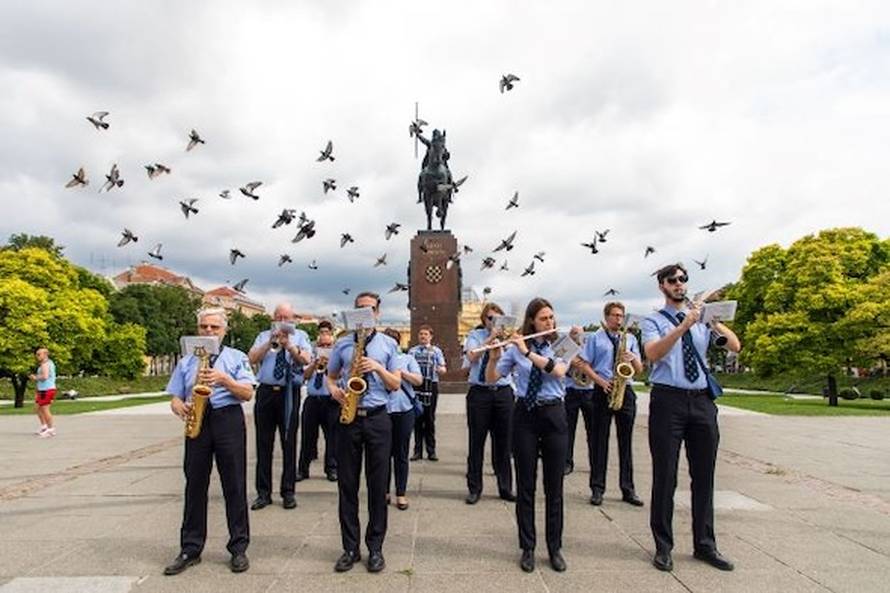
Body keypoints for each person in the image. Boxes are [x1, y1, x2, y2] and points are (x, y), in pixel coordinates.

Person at [641, 263, 741, 573]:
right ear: (662, 286)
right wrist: (684, 325)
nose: (679, 284)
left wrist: (712, 323)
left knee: (704, 475)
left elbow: (735, 347)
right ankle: (663, 546)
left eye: (683, 280)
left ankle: (705, 544)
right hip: (668, 400)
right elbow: (654, 354)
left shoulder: (702, 318)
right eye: (673, 280)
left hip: (701, 402)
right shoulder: (653, 320)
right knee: (666, 475)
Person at [163, 308, 257, 575]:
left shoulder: (236, 358)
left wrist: (224, 380)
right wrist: (178, 405)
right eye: (204, 326)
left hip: (227, 419)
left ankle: (238, 547)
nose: (208, 332)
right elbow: (175, 396)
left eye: (214, 327)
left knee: (234, 485)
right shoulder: (187, 361)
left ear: (224, 330)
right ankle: (190, 548)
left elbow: (247, 393)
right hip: (198, 420)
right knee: (194, 484)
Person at [486, 297, 570, 573]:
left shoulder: (563, 344)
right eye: (544, 318)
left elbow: (557, 371)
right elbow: (491, 378)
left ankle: (554, 548)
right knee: (526, 486)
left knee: (554, 487)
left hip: (554, 414)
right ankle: (528, 547)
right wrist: (494, 354)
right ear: (532, 321)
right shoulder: (517, 345)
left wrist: (526, 353)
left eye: (551, 318)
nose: (549, 323)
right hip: (524, 415)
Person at [327, 292, 402, 573]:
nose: (364, 313)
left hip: (378, 418)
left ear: (377, 313)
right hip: (349, 418)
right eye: (359, 309)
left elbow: (395, 384)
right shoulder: (343, 343)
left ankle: (375, 548)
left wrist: (378, 367)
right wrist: (334, 390)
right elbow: (331, 376)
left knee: (378, 485)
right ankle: (349, 548)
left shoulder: (389, 344)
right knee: (347, 485)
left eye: (369, 309)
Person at [247, 303, 312, 511]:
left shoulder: (301, 336)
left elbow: (305, 360)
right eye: (279, 317)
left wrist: (289, 345)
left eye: (287, 317)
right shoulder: (263, 335)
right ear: (273, 318)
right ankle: (263, 493)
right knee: (263, 444)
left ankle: (288, 491)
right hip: (266, 391)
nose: (283, 321)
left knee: (289, 442)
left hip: (288, 393)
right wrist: (270, 343)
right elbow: (252, 359)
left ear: (293, 319)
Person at [582, 302, 644, 507]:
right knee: (600, 442)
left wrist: (633, 358)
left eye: (621, 315)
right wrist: (599, 381)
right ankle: (597, 488)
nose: (619, 319)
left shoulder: (631, 339)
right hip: (603, 390)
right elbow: (584, 364)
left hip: (625, 390)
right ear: (606, 317)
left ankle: (628, 488)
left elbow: (640, 369)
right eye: (615, 315)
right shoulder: (595, 338)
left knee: (625, 442)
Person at [462, 302, 515, 505]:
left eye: (497, 318)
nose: (493, 322)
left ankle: (505, 487)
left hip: (502, 391)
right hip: (479, 392)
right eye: (490, 318)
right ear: (484, 320)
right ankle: (474, 488)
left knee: (504, 442)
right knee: (476, 442)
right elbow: (472, 356)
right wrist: (490, 338)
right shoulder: (475, 336)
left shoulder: (508, 339)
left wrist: (506, 341)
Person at [384, 328, 423, 511]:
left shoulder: (408, 359)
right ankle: (383, 492)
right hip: (382, 411)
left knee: (401, 454)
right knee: (382, 454)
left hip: (403, 410)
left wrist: (401, 373)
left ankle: (401, 493)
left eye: (393, 340)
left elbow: (418, 380)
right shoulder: (378, 360)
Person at [298, 320, 338, 482]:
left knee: (332, 437)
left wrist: (330, 365)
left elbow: (341, 376)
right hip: (313, 399)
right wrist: (315, 364)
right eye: (322, 332)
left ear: (332, 334)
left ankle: (331, 468)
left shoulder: (337, 351)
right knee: (307, 436)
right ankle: (303, 469)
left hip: (331, 399)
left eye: (327, 333)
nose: (324, 336)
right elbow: (304, 376)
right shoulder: (311, 351)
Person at [408, 325, 446, 461]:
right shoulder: (412, 351)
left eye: (425, 334)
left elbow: (443, 367)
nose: (423, 336)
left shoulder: (436, 351)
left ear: (430, 336)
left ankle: (431, 451)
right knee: (417, 418)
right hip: (416, 385)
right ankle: (417, 451)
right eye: (421, 334)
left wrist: (440, 369)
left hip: (431, 385)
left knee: (429, 418)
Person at [562, 331, 595, 476]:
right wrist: (571, 361)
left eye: (579, 334)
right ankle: (567, 462)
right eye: (574, 334)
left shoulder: (591, 346)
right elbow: (559, 367)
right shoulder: (566, 348)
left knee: (593, 430)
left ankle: (595, 463)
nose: (577, 336)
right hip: (571, 389)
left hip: (589, 390)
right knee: (568, 429)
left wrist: (586, 364)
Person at [30, 347, 57, 438]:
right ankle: (44, 426)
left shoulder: (45, 364)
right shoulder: (46, 364)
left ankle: (50, 430)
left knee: (45, 409)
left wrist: (35, 377)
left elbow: (45, 377)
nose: (37, 356)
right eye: (37, 354)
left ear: (45, 354)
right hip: (42, 389)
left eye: (39, 354)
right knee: (37, 408)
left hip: (47, 389)